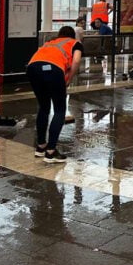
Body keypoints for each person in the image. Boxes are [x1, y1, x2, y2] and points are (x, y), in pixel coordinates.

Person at [26, 26, 83, 163]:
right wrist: (69, 78)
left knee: (44, 107)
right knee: (59, 110)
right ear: (72, 35)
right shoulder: (75, 43)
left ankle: (41, 146)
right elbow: (76, 60)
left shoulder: (50, 42)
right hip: (53, 69)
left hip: (33, 68)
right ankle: (51, 151)